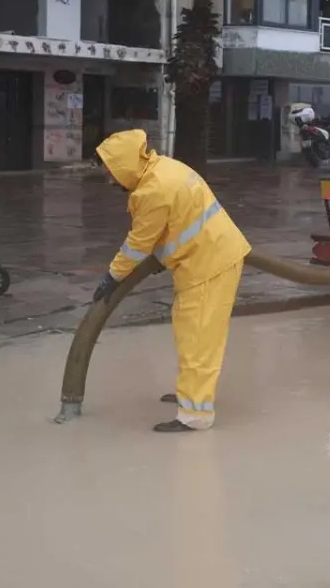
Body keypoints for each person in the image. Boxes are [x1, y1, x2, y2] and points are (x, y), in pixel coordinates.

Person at [91, 129, 251, 432]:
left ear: (124, 165)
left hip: (210, 264)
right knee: (187, 331)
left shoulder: (152, 191)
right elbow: (177, 223)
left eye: (111, 172)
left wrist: (112, 277)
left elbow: (138, 244)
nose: (110, 180)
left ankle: (195, 416)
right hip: (203, 258)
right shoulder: (164, 168)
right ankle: (189, 392)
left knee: (199, 340)